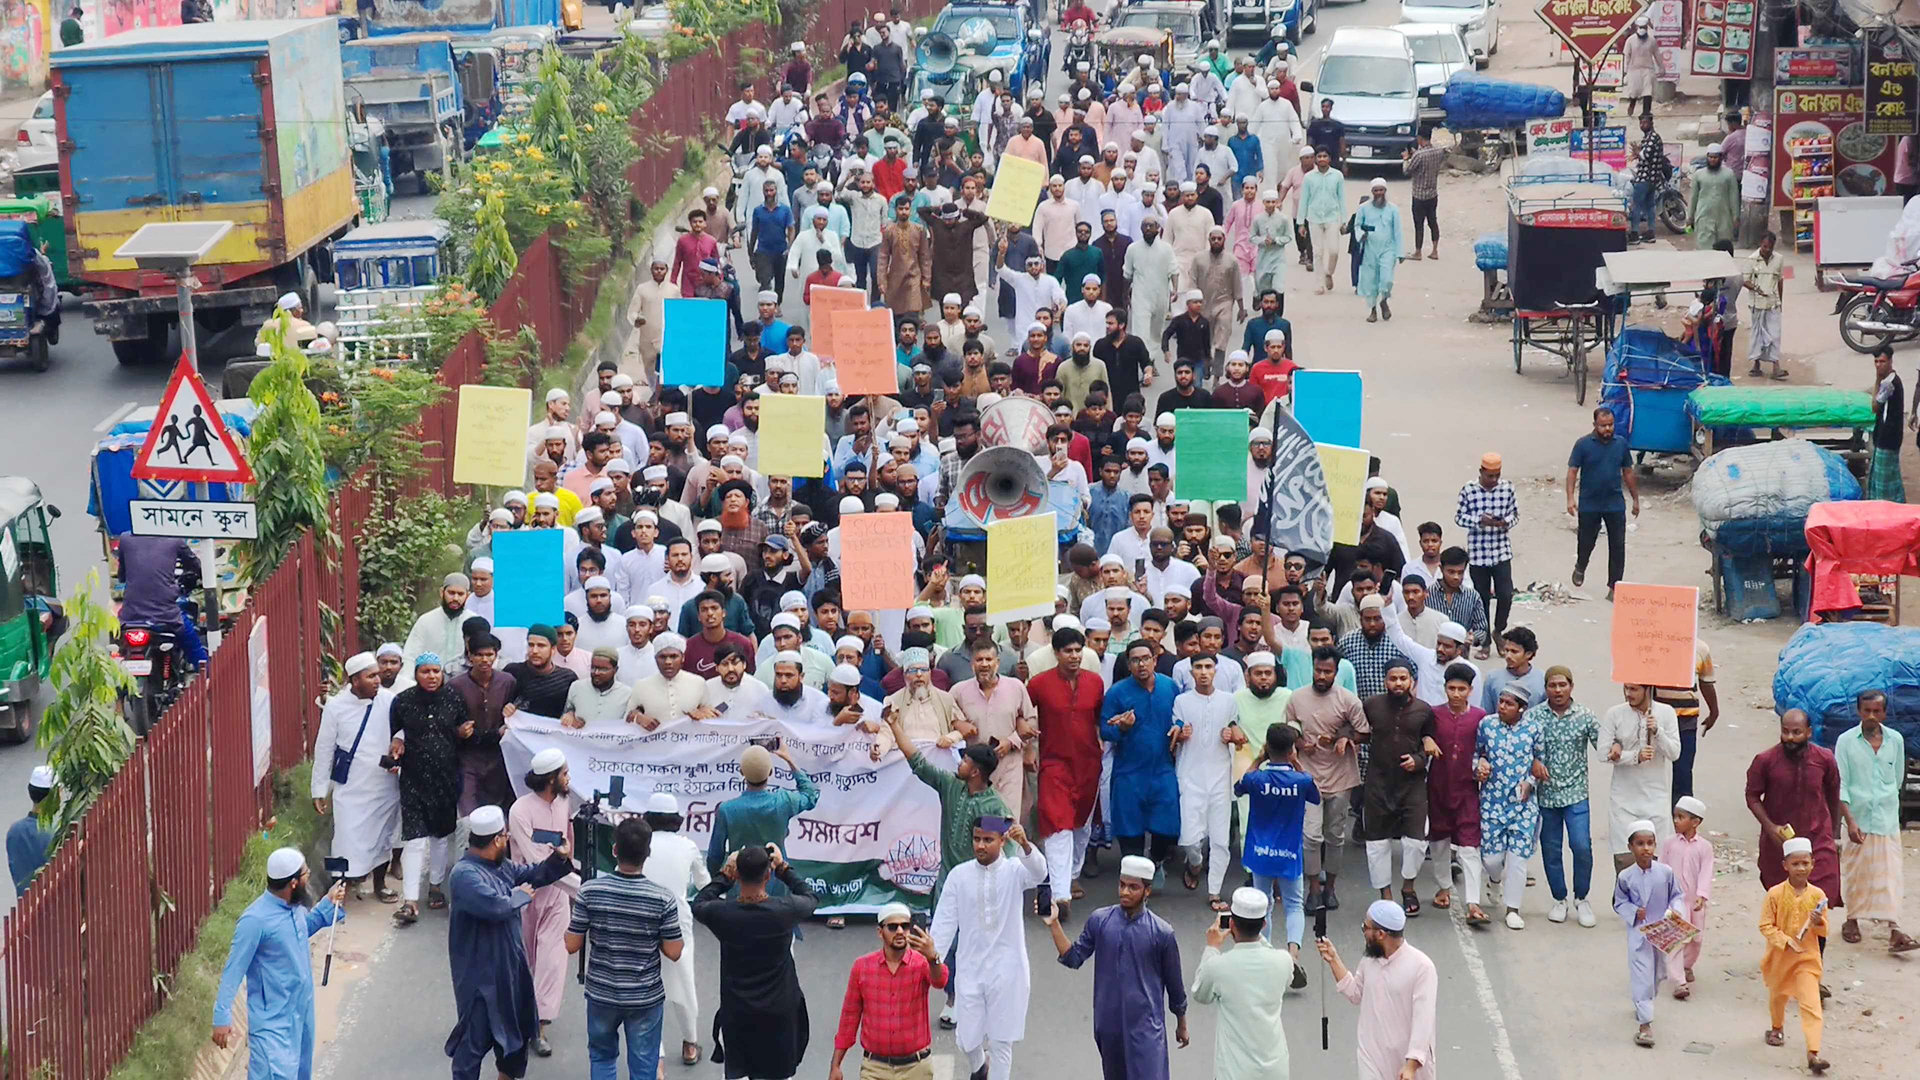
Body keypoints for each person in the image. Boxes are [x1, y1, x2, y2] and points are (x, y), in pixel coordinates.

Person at [444, 804, 575, 1080]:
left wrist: (558, 860)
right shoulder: (465, 875)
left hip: (511, 972)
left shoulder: (501, 866)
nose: (508, 840)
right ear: (496, 840)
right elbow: (496, 907)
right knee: (472, 1047)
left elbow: (532, 875)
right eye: (505, 836)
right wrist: (520, 896)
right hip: (480, 980)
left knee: (514, 1045)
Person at [1046, 852, 1189, 1080]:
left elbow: (1175, 985)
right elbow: (1073, 957)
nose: (1125, 892)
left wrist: (1181, 1023)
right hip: (1109, 1027)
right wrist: (1053, 924)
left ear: (1147, 891)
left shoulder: (1162, 933)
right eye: (1122, 885)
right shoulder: (1100, 920)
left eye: (1133, 887)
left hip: (1147, 1030)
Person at [564, 814, 684, 1080]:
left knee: (602, 1058)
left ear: (615, 849)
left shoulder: (590, 891)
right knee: (644, 1065)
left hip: (601, 993)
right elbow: (674, 951)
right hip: (645, 996)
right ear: (647, 853)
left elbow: (572, 944)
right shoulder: (662, 898)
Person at [210, 849, 344, 1080]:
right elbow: (233, 971)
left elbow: (303, 930)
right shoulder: (255, 921)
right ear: (293, 883)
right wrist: (221, 1017)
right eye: (305, 873)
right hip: (272, 1023)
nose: (308, 877)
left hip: (302, 1013)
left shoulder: (296, 907)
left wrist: (327, 903)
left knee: (301, 1073)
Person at [930, 818, 1048, 1080]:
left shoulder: (1015, 871)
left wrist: (1026, 846)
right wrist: (930, 959)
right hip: (970, 968)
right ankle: (980, 1066)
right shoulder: (959, 876)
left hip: (1008, 970)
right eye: (976, 839)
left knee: (1002, 1041)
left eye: (987, 840)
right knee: (967, 1039)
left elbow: (1040, 873)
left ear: (1002, 841)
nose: (980, 846)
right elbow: (944, 922)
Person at [692, 843, 818, 1080]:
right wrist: (784, 868)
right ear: (768, 875)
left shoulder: (724, 914)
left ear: (737, 874)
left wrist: (723, 876)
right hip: (780, 1013)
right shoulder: (785, 911)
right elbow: (810, 897)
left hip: (738, 1014)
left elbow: (699, 903)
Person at [1028, 625, 1106, 920]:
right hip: (1054, 763)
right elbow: (1024, 714)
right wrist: (1026, 743)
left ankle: (1072, 873)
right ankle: (1060, 896)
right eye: (1068, 651)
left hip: (1088, 763)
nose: (1074, 656)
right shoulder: (1039, 684)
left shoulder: (1095, 683)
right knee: (1057, 824)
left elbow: (1101, 720)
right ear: (1056, 654)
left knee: (1080, 825)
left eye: (1078, 651)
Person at [1746, 710, 1845, 939]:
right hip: (1779, 845)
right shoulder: (1765, 760)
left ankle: (1812, 958)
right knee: (1784, 902)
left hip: (1817, 840)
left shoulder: (1825, 759)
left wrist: (1835, 834)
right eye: (1785, 731)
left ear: (1809, 732)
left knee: (1820, 900)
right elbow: (1752, 796)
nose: (1790, 737)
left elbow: (1833, 795)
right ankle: (1786, 957)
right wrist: (1770, 827)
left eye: (1796, 732)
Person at [508, 749, 581, 1057]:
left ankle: (540, 1026)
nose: (568, 778)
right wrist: (583, 889)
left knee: (552, 959)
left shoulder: (564, 802)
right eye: (564, 774)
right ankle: (518, 1015)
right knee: (525, 959)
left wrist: (570, 874)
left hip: (558, 897)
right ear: (551, 779)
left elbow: (567, 847)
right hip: (526, 893)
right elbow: (537, 863)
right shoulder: (519, 811)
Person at [312, 652, 401, 901]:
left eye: (377, 675)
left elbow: (403, 730)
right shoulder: (336, 707)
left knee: (383, 837)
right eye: (370, 676)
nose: (377, 680)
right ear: (355, 680)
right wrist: (319, 790)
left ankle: (379, 884)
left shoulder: (389, 700)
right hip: (351, 786)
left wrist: (398, 745)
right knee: (344, 838)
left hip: (384, 784)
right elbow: (325, 748)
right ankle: (338, 890)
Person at [1316, 899, 1438, 1080]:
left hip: (1406, 1062)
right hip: (1371, 1056)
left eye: (1365, 928)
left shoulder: (1422, 967)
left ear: (1380, 934)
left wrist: (1411, 1065)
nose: (1363, 932)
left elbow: (1423, 1020)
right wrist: (1333, 959)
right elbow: (1355, 993)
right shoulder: (1369, 960)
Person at [388, 653, 468, 925]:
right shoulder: (403, 702)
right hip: (413, 779)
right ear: (417, 673)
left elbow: (462, 731)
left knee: (440, 836)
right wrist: (397, 743)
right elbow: (396, 733)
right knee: (414, 838)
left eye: (436, 671)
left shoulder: (454, 699)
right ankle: (409, 900)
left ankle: (435, 886)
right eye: (425, 671)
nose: (432, 676)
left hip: (445, 778)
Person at [1285, 645, 1365, 913]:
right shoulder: (1296, 698)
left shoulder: (1348, 700)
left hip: (1341, 778)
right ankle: (1313, 889)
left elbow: (1365, 733)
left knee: (1334, 836)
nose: (1321, 676)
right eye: (1318, 670)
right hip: (1308, 778)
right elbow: (1288, 730)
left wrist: (1344, 737)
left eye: (1327, 672)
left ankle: (1330, 888)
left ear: (1336, 672)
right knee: (1310, 836)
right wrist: (1299, 742)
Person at [1834, 690, 1916, 952]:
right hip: (1857, 819)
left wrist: (1889, 805)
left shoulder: (1896, 741)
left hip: (1886, 819)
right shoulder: (1846, 742)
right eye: (1866, 711)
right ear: (1858, 711)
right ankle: (1852, 920)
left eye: (1876, 711)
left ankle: (1895, 929)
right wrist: (1850, 819)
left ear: (1884, 713)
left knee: (1890, 874)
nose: (1871, 716)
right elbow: (1841, 784)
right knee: (1857, 872)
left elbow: (1897, 778)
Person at [828, 901, 947, 1080]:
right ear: (880, 932)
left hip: (916, 1068)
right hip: (875, 1068)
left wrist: (933, 958)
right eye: (893, 927)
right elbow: (849, 1018)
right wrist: (836, 1065)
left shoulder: (922, 963)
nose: (900, 931)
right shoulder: (862, 967)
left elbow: (940, 981)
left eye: (905, 926)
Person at [1236, 723, 1317, 972]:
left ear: (1267, 747)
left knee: (1264, 904)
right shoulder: (1301, 780)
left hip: (1260, 853)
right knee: (1294, 904)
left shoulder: (1257, 778)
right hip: (1289, 855)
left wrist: (1258, 759)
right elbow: (1316, 796)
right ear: (1292, 749)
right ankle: (1292, 957)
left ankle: (1266, 952)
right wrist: (1298, 764)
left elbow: (1239, 787)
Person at [1101, 640, 1183, 883]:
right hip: (1129, 771)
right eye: (1135, 660)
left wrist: (1179, 728)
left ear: (1155, 660)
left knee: (1167, 828)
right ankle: (1135, 882)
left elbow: (1182, 716)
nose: (1141, 664)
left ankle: (1156, 862)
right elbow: (1105, 730)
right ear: (1128, 664)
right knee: (1129, 831)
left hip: (1163, 769)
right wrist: (1122, 729)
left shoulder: (1170, 687)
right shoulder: (1117, 692)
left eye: (1146, 658)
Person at [1191, 885, 1293, 1078]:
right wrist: (1256, 937)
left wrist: (1212, 947)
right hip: (1274, 1069)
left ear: (1231, 924)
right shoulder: (1283, 960)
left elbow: (1200, 993)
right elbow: (1285, 971)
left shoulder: (1218, 966)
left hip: (1234, 1071)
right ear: (1264, 924)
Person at [1361, 662, 1437, 916]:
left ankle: (1408, 887)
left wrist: (1417, 761)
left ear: (1411, 682)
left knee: (1416, 842)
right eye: (1393, 678)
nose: (1398, 683)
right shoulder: (1371, 705)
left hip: (1412, 784)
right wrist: (1341, 737)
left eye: (1403, 678)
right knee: (1377, 844)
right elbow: (1360, 731)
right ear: (1385, 681)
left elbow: (1429, 745)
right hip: (1378, 783)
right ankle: (1386, 895)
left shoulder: (1424, 711)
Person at [640, 793, 709, 1067]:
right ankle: (690, 1044)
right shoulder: (688, 846)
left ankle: (654, 1052)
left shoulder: (640, 844)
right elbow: (705, 884)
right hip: (677, 922)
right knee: (683, 982)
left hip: (643, 919)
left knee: (646, 985)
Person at [1173, 653, 1243, 908]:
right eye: (1198, 667)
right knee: (1190, 839)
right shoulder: (1181, 701)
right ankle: (1195, 864)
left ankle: (1214, 891)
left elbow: (1238, 731)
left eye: (1208, 667)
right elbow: (1172, 733)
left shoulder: (1229, 701)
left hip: (1221, 777)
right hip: (1190, 776)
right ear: (1191, 672)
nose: (1203, 672)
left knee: (1221, 840)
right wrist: (1180, 734)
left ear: (1216, 670)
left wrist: (1232, 734)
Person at [1531, 666, 1600, 927]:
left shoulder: (1585, 716)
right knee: (1551, 849)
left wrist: (1618, 747)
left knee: (1581, 846)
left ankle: (1582, 898)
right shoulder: (1535, 717)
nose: (1558, 690)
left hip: (1576, 794)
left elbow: (1602, 745)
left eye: (1562, 685)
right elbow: (1523, 748)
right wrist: (1534, 763)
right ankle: (1559, 898)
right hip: (1546, 795)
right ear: (1546, 688)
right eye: (1552, 685)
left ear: (1571, 686)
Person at [1612, 819, 1686, 1048]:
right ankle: (1645, 1026)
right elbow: (1618, 901)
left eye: (1650, 843)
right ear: (1631, 846)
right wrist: (1635, 912)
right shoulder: (1626, 876)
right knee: (1642, 977)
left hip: (1661, 933)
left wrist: (1674, 912)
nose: (1645, 848)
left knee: (1656, 977)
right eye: (1640, 843)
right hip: (1639, 934)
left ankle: (1644, 1003)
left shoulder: (1665, 873)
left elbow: (1677, 896)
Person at [1759, 837, 1830, 1074]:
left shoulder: (1818, 895)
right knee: (1778, 996)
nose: (1801, 868)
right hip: (1780, 957)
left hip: (1807, 959)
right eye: (1795, 864)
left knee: (1811, 1004)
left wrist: (1819, 922)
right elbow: (1765, 925)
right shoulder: (1775, 894)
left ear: (1812, 864)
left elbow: (1824, 931)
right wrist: (1785, 941)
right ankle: (1777, 1027)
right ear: (1785, 866)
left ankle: (1813, 1053)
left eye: (1805, 863)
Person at [1476, 684, 1544, 929]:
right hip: (1492, 802)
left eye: (1509, 703)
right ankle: (1494, 880)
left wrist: (1531, 781)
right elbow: (1477, 753)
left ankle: (1513, 908)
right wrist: (1480, 765)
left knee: (1518, 860)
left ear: (1522, 709)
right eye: (1501, 702)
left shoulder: (1534, 729)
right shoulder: (1487, 725)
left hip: (1523, 806)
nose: (1502, 707)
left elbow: (1540, 760)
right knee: (1492, 858)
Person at [706, 744, 820, 887]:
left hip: (739, 889)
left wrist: (719, 883)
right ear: (770, 772)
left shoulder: (726, 810)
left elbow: (714, 856)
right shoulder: (783, 802)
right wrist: (789, 760)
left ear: (742, 772)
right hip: (776, 886)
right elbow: (811, 795)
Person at [1425, 663, 1487, 924]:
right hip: (1437, 786)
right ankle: (1444, 888)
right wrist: (1425, 740)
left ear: (1471, 690)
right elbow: (1421, 737)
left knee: (1470, 846)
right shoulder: (1433, 714)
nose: (1456, 694)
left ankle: (1473, 902)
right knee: (1438, 841)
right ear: (1445, 689)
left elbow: (1488, 747)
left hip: (1467, 789)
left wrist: (1484, 762)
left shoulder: (1481, 717)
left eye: (1462, 689)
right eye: (1452, 688)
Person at [1602, 684, 1681, 870]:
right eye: (1626, 688)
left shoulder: (1666, 713)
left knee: (1657, 864)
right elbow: (1602, 753)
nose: (1628, 694)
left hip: (1656, 799)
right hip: (1623, 801)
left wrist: (1658, 732)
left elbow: (1675, 753)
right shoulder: (1614, 714)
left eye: (1634, 689)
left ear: (1648, 689)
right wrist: (1633, 757)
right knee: (1625, 863)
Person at [1565, 406, 1637, 594]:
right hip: (1590, 503)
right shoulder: (1583, 445)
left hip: (1614, 503)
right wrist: (1570, 498)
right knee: (1586, 540)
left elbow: (1628, 472)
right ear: (1594, 425)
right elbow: (1572, 471)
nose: (1607, 429)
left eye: (1611, 425)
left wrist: (1635, 499)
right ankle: (1581, 566)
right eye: (1603, 425)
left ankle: (1615, 586)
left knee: (1618, 546)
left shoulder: (1620, 444)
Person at [1453, 452, 1518, 646]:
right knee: (1481, 599)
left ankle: (1499, 629)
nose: (1493, 480)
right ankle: (1486, 641)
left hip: (1501, 551)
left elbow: (1515, 515)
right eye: (1489, 476)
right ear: (1481, 472)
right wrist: (1479, 520)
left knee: (1506, 595)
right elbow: (1459, 517)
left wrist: (1504, 523)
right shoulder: (1468, 490)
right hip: (1478, 555)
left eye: (1496, 475)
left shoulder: (1507, 489)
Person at [1660, 795, 1715, 997]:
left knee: (1696, 938)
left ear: (1695, 822)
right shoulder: (1669, 843)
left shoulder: (1704, 847)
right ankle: (1679, 982)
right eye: (1674, 816)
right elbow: (1662, 868)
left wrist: (1702, 894)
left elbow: (1706, 871)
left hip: (1695, 901)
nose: (1675, 821)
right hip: (1675, 900)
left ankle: (1687, 964)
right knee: (1678, 939)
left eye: (1680, 817)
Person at [1348, 179, 1404, 322]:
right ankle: (1373, 310)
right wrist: (1362, 235)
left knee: (1386, 279)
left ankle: (1384, 300)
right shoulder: (1363, 208)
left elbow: (1398, 231)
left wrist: (1400, 252)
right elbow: (1357, 226)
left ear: (1385, 191)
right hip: (1369, 249)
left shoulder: (1393, 209)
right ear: (1372, 192)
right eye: (1376, 190)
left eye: (1381, 190)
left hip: (1388, 248)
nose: (1379, 193)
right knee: (1370, 281)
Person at [7, 766, 56, 897]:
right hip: (54, 906)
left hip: (26, 907)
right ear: (54, 796)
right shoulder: (55, 833)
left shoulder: (14, 831)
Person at [1744, 231, 1785, 379]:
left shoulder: (1779, 259)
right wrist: (1756, 289)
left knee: (1775, 334)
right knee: (1757, 334)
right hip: (1757, 304)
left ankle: (1776, 367)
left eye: (1770, 247)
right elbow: (1745, 280)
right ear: (1761, 244)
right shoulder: (1751, 260)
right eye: (1765, 246)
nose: (1767, 250)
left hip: (1773, 303)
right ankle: (1756, 365)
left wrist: (1781, 301)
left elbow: (1780, 280)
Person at [1401, 130, 1445, 260]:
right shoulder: (1438, 151)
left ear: (1420, 138)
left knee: (1419, 224)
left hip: (1419, 195)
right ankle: (1435, 250)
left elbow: (1407, 171)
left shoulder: (1419, 155)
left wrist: (1405, 159)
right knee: (1433, 221)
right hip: (1432, 193)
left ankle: (1418, 252)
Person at [1688, 143, 1739, 252]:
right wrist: (1690, 217)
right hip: (1704, 217)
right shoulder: (1699, 175)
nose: (1712, 160)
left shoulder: (1729, 175)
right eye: (1710, 157)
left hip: (1724, 218)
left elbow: (1733, 197)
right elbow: (1693, 197)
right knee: (1704, 248)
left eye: (1715, 157)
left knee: (1723, 249)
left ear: (1720, 157)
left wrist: (1736, 217)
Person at [1870, 345, 1905, 502]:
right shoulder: (1891, 380)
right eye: (1876, 361)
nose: (1878, 365)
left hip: (1887, 438)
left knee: (1884, 482)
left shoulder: (1889, 383)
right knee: (1891, 477)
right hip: (1888, 436)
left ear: (1890, 361)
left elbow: (1875, 406)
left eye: (1882, 361)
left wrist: (1877, 379)